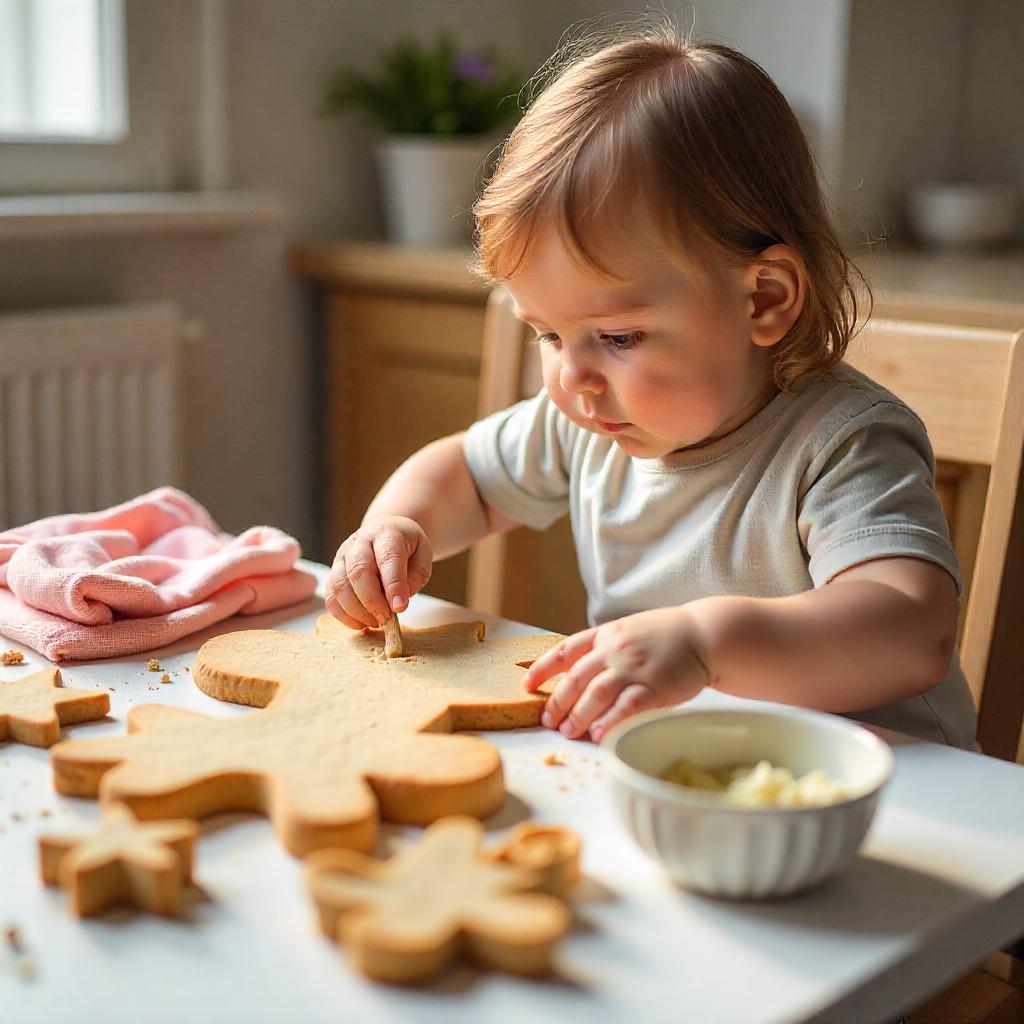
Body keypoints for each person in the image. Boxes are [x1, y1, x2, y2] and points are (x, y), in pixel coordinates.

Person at [325, 22, 977, 750]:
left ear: (763, 299)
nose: (573, 378)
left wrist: (705, 643)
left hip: (891, 795)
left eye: (619, 337)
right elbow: (470, 478)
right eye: (547, 333)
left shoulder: (841, 442)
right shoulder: (584, 420)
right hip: (682, 772)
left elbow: (909, 629)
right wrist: (396, 527)